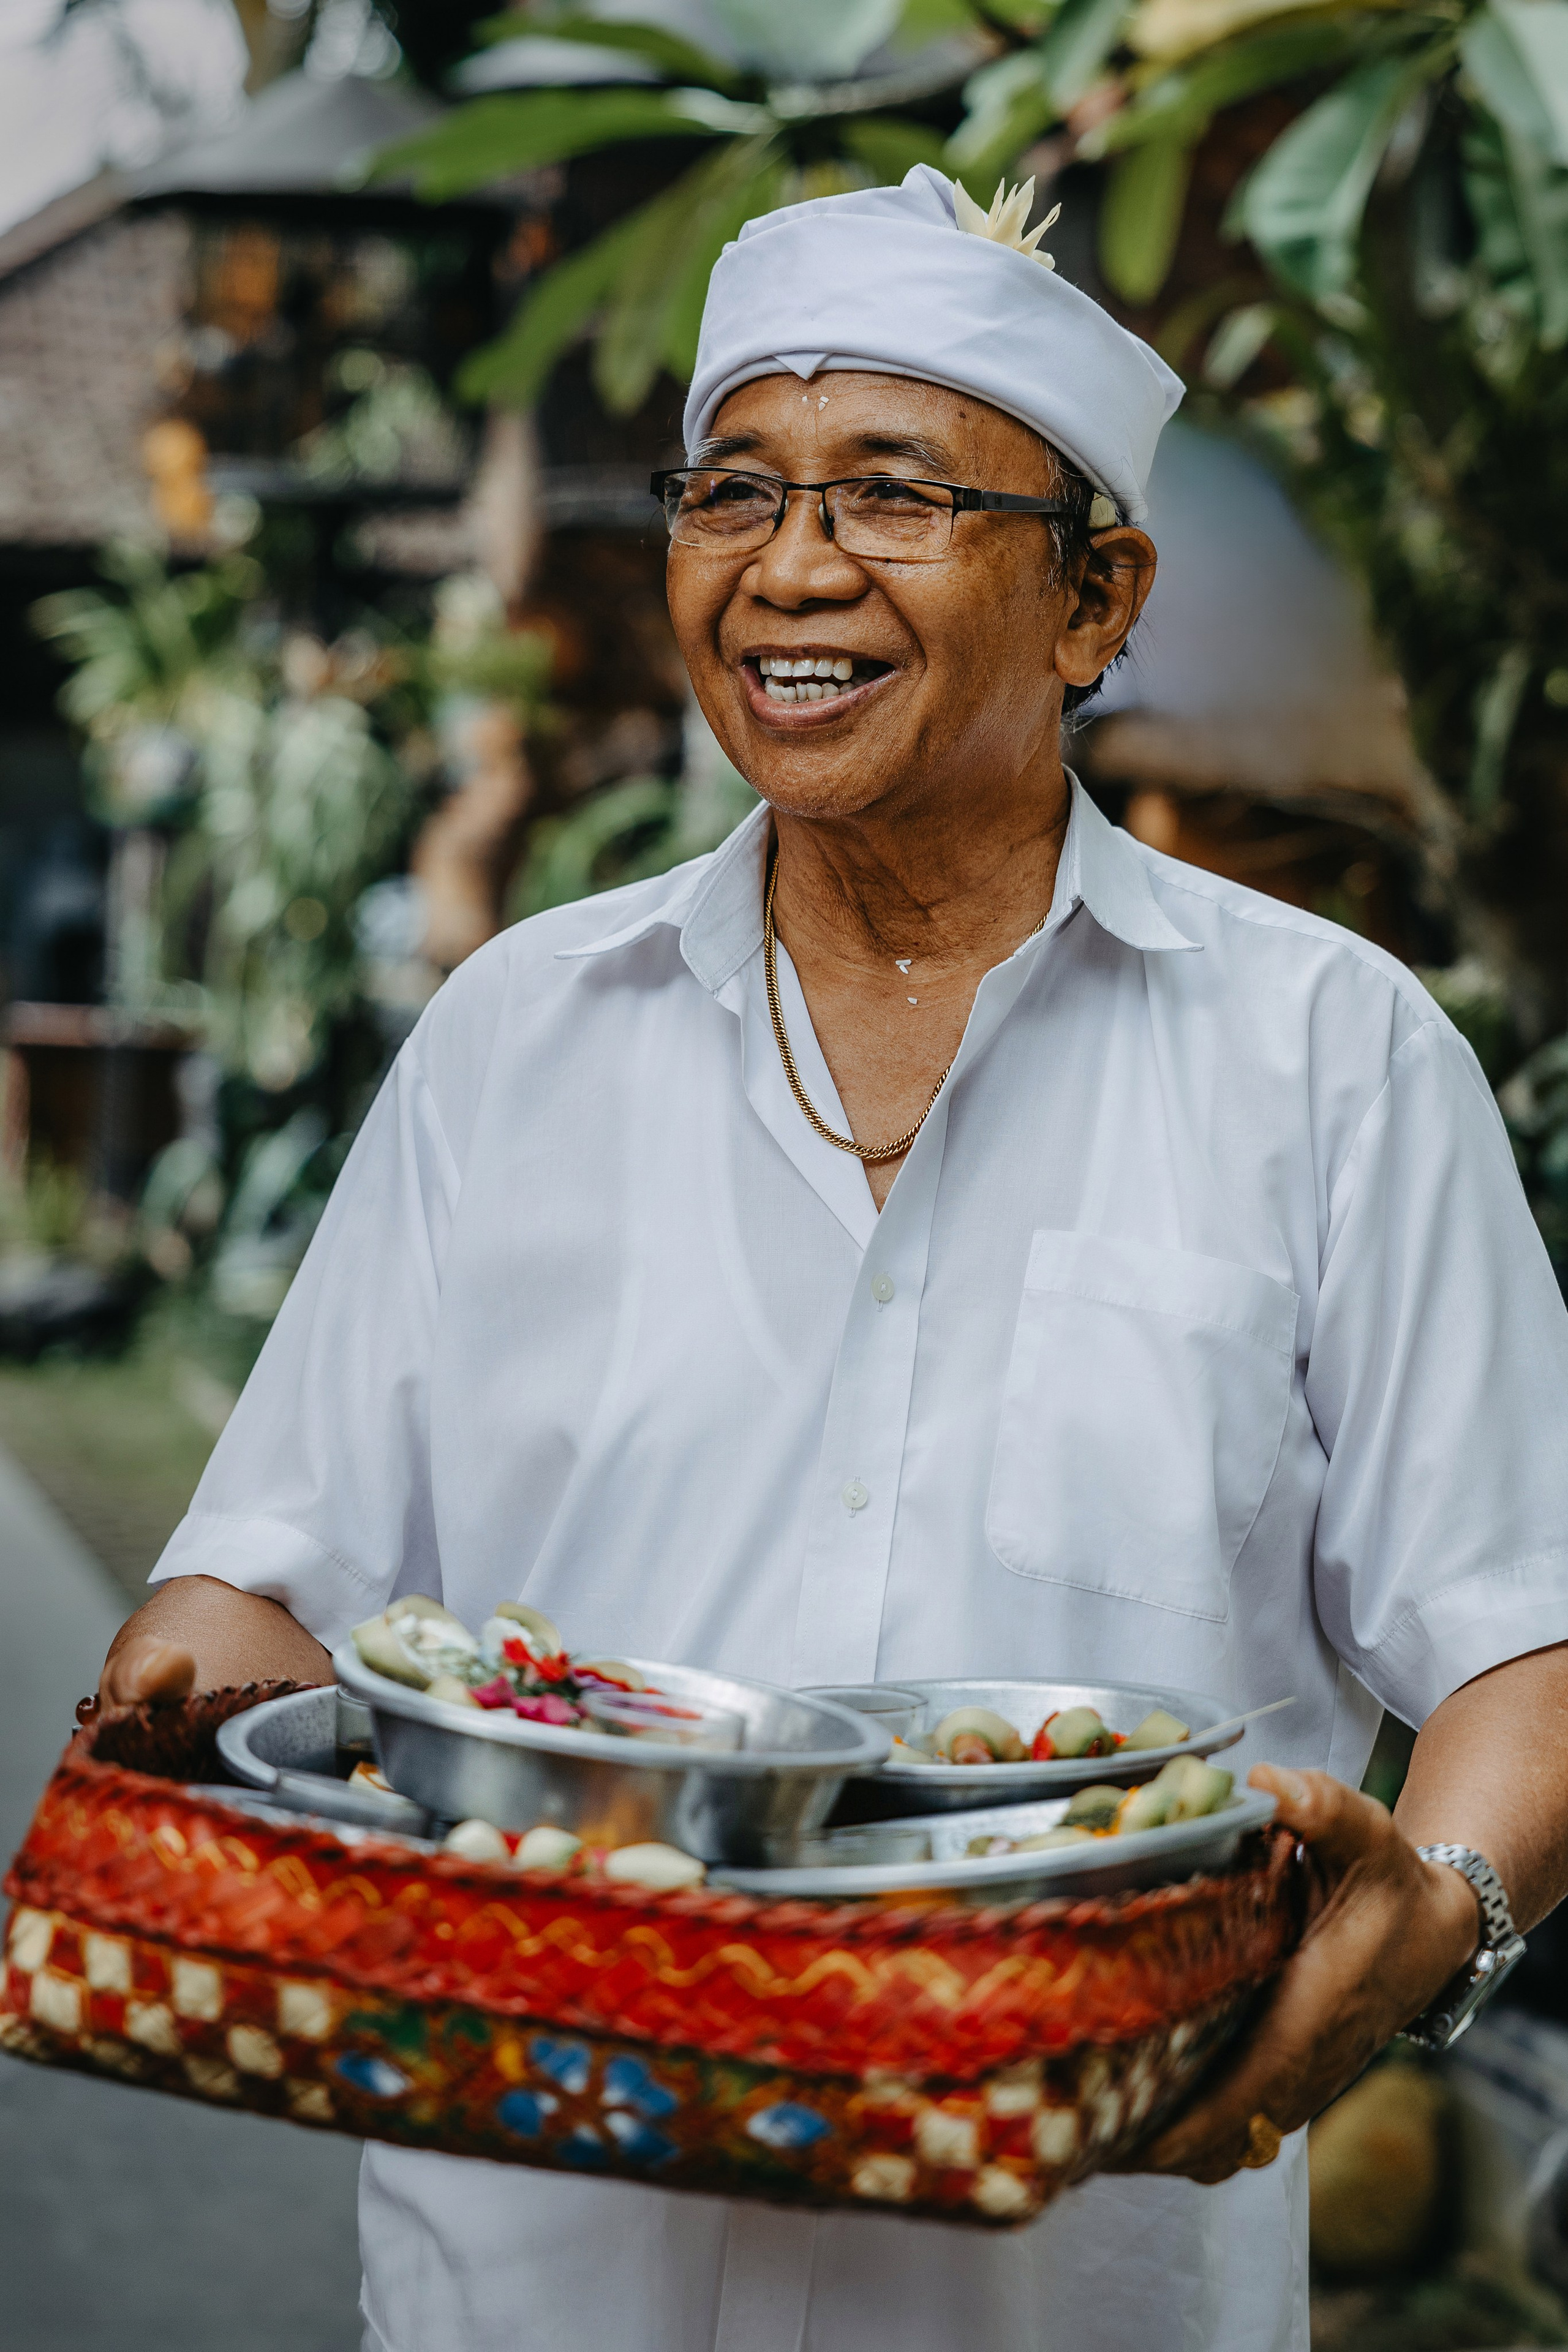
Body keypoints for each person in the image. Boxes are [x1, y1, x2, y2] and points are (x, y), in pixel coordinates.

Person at [100, 167, 1568, 2352]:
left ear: (1095, 600)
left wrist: (1434, 1917)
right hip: (525, 2276)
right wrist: (180, 1712)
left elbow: (1524, 1643)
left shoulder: (1331, 1061)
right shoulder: (518, 1036)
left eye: (893, 496)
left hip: (1080, 2282)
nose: (788, 569)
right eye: (732, 493)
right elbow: (272, 1574)